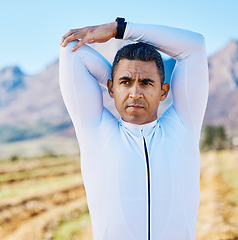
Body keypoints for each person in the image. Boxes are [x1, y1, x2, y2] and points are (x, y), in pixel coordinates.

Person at [59, 18, 208, 240]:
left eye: (147, 83)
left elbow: (195, 46)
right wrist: (118, 78)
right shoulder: (95, 132)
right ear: (110, 87)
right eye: (125, 83)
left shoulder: (184, 126)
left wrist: (119, 29)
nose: (135, 94)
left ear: (163, 91)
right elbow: (72, 50)